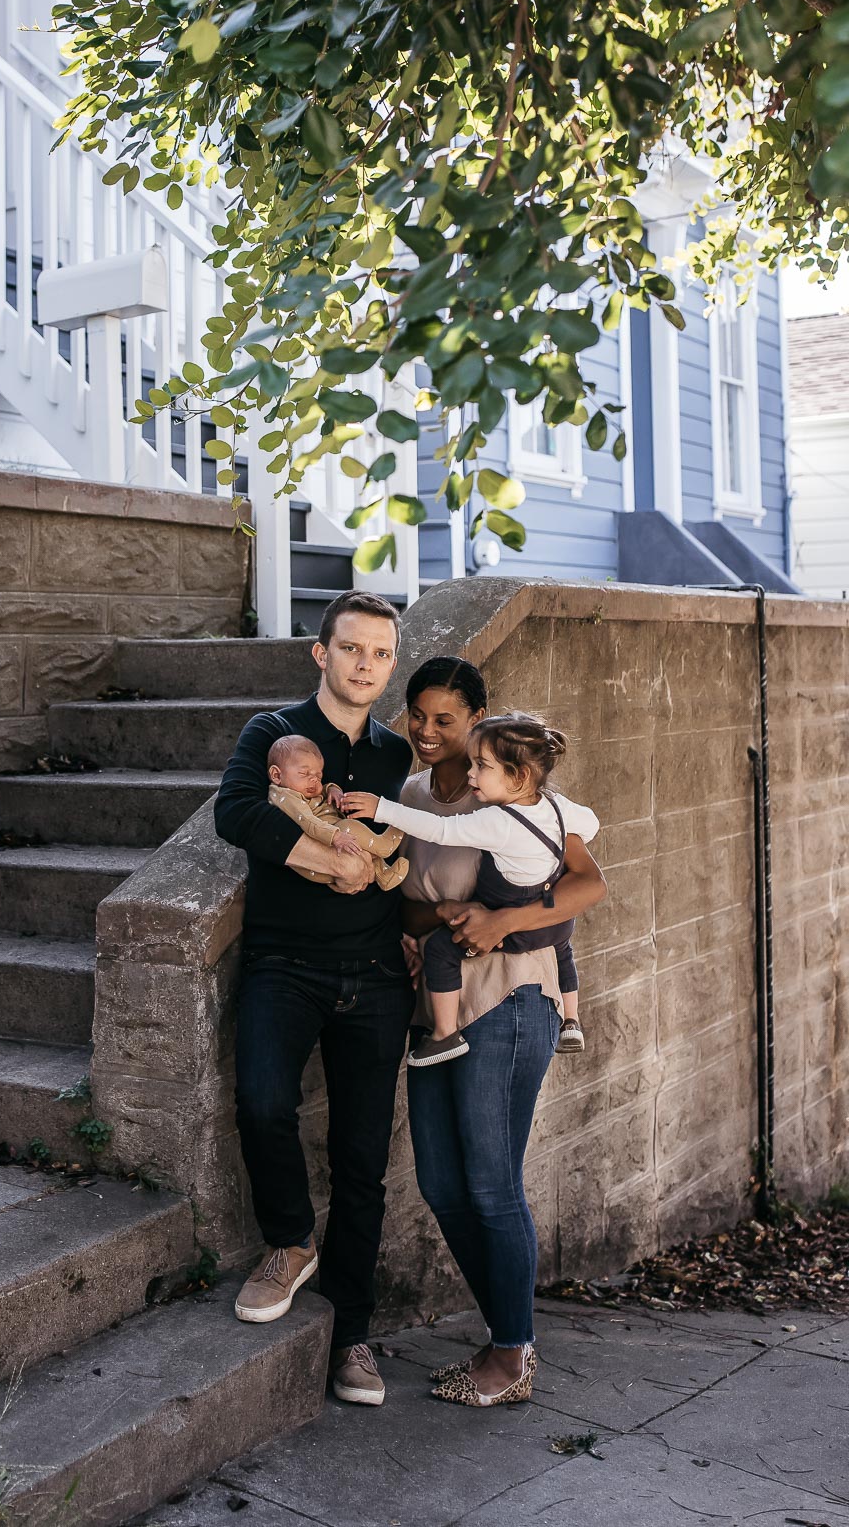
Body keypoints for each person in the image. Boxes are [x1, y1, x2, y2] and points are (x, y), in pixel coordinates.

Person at [213, 591, 413, 1408]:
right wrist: (325, 858)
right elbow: (235, 813)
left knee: (364, 1160)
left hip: (376, 977)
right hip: (284, 963)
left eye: (380, 653)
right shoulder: (273, 733)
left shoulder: (399, 757)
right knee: (262, 1103)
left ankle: (354, 1336)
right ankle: (291, 1241)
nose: (365, 665)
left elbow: (435, 836)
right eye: (352, 648)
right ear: (320, 653)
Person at [396, 656, 607, 1408]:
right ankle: (508, 1335)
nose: (426, 731)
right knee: (441, 1182)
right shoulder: (413, 792)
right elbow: (411, 897)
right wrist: (416, 927)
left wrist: (501, 919)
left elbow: (582, 882)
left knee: (489, 1180)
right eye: (417, 715)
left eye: (445, 719)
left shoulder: (524, 796)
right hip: (438, 999)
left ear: (478, 719)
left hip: (513, 993)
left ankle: (512, 1353)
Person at [342, 712, 596, 1064]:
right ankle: (571, 1019)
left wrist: (382, 808)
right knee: (562, 947)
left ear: (519, 775)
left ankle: (445, 1034)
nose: (471, 774)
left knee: (442, 952)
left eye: (481, 766)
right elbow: (591, 822)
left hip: (506, 927)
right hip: (550, 920)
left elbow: (440, 829)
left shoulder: (497, 821)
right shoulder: (555, 806)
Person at [267, 732, 409, 891]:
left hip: (333, 860)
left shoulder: (299, 788)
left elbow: (322, 790)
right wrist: (336, 835)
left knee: (357, 847)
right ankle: (384, 845)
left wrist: (332, 789)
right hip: (321, 854)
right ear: (276, 775)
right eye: (304, 773)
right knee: (348, 827)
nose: (314, 780)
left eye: (318, 776)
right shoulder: (285, 796)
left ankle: (383, 875)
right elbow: (307, 821)